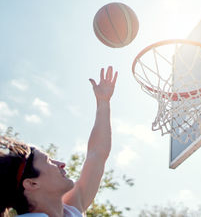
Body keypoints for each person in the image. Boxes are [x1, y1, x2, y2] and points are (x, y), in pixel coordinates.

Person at [0, 66, 118, 217]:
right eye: (49, 161)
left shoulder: (71, 211)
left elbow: (97, 154)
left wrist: (103, 102)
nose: (61, 164)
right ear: (32, 183)